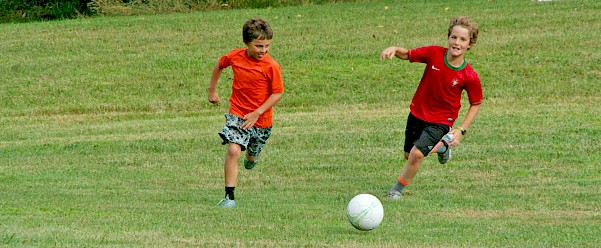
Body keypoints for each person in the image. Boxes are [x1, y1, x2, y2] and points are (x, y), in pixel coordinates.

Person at [379, 16, 483, 199]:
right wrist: (394, 49)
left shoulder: (469, 76)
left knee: (417, 154)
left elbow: (476, 103)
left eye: (463, 39)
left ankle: (396, 190)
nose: (457, 42)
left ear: (470, 44)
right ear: (448, 37)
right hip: (417, 113)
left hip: (442, 120)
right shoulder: (434, 53)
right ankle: (443, 147)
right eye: (454, 37)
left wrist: (461, 130)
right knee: (408, 154)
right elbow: (408, 54)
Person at [208, 18, 284, 208]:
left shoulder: (271, 66)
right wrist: (212, 90)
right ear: (246, 43)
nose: (263, 50)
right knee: (233, 150)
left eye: (267, 46)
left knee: (251, 155)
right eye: (259, 46)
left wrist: (257, 113)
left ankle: (253, 156)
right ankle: (229, 197)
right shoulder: (235, 57)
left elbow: (278, 92)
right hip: (238, 114)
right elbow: (220, 64)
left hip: (262, 120)